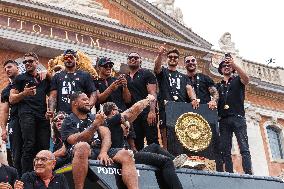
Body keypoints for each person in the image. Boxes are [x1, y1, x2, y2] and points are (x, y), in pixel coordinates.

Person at [61, 91, 138, 189]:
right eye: (84, 99)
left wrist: (104, 152)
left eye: (88, 99)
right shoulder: (68, 121)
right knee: (82, 146)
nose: (88, 102)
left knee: (126, 154)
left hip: (99, 149)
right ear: (74, 103)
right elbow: (75, 140)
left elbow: (106, 136)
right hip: (81, 152)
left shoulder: (94, 117)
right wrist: (94, 125)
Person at [103, 99, 184, 189]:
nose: (119, 112)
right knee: (166, 162)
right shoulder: (111, 120)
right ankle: (172, 164)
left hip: (126, 154)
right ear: (113, 111)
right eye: (117, 110)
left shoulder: (111, 123)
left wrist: (129, 121)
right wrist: (148, 100)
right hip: (124, 157)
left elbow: (133, 115)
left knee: (154, 147)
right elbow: (132, 110)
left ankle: (177, 161)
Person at [9, 52, 51, 173]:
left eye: (30, 61)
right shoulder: (20, 78)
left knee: (44, 146)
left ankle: (43, 175)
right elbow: (12, 99)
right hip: (26, 114)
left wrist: (48, 73)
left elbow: (54, 89)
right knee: (29, 144)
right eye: (25, 61)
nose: (27, 63)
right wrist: (24, 93)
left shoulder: (44, 78)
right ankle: (26, 176)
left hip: (42, 115)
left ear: (37, 62)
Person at [154, 44, 198, 153]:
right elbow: (156, 68)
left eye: (175, 57)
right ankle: (166, 157)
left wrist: (194, 99)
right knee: (165, 137)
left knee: (180, 136)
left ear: (178, 60)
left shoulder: (183, 77)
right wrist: (160, 54)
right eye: (170, 57)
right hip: (166, 108)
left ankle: (180, 159)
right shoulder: (163, 72)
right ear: (167, 59)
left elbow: (189, 88)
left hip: (180, 109)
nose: (173, 59)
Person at [184, 55, 223, 171]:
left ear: (196, 63)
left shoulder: (205, 78)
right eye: (188, 61)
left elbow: (215, 93)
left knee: (211, 144)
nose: (191, 63)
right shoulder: (182, 79)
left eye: (193, 60)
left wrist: (213, 101)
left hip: (206, 115)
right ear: (184, 64)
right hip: (189, 118)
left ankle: (216, 170)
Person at [216, 53, 252, 174]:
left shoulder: (238, 80)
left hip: (238, 118)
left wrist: (234, 65)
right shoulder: (218, 85)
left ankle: (248, 173)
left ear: (232, 69)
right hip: (223, 120)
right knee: (225, 149)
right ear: (220, 70)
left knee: (244, 147)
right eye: (224, 66)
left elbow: (247, 79)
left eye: (228, 65)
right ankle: (230, 174)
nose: (226, 67)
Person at [47, 49, 97, 118]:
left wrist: (89, 106)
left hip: (81, 114)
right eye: (66, 58)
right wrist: (51, 110)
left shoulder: (85, 75)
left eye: (71, 57)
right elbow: (53, 96)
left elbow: (93, 92)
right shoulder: (57, 76)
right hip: (63, 115)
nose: (69, 59)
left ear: (76, 59)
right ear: (63, 60)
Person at [125, 52, 159, 151]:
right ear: (127, 60)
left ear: (140, 61)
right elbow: (127, 99)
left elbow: (152, 92)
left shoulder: (147, 73)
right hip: (133, 114)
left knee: (152, 140)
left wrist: (152, 111)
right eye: (130, 57)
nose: (133, 59)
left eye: (136, 57)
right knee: (136, 142)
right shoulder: (125, 77)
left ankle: (158, 163)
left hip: (147, 112)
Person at [0, 59, 22, 174]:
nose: (7, 70)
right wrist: (4, 129)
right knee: (16, 153)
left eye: (9, 67)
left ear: (17, 67)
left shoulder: (29, 80)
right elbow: (4, 111)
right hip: (15, 122)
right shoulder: (6, 91)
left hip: (33, 120)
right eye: (5, 69)